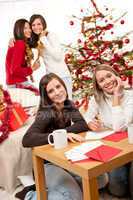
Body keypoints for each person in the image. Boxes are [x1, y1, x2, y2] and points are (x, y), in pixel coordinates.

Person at [16, 72, 88, 200]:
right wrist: (59, 135)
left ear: (64, 86)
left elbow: (82, 124)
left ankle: (55, 188)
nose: (57, 92)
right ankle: (30, 195)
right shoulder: (46, 112)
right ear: (47, 96)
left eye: (58, 87)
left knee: (100, 179)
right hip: (47, 164)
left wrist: (65, 133)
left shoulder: (68, 104)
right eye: (51, 91)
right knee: (73, 196)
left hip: (63, 158)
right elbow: (27, 139)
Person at [84, 64, 133, 197]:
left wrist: (116, 95)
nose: (107, 81)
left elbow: (119, 127)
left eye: (109, 76)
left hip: (130, 146)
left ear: (116, 76)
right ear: (98, 85)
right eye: (101, 80)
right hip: (115, 147)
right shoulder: (97, 98)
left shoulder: (130, 96)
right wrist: (90, 122)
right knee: (118, 191)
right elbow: (87, 116)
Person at [29, 14, 72, 99]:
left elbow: (58, 56)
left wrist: (43, 39)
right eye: (33, 25)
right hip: (50, 78)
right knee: (55, 105)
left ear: (43, 24)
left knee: (68, 103)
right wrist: (12, 39)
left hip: (62, 76)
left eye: (39, 24)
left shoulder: (50, 35)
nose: (36, 27)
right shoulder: (37, 40)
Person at [5, 18, 40, 88]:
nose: (29, 30)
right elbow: (14, 70)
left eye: (29, 28)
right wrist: (32, 68)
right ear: (19, 30)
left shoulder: (19, 43)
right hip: (17, 83)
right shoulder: (20, 44)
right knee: (39, 96)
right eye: (25, 28)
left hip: (14, 83)